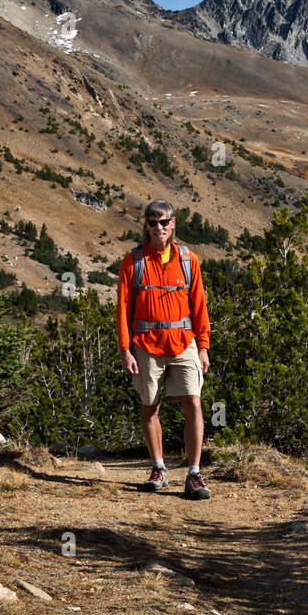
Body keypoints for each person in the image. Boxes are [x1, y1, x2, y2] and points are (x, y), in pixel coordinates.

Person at [116, 199, 212, 499]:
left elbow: (199, 305)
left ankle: (194, 474)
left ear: (173, 225)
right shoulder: (132, 262)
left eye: (164, 222)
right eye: (153, 222)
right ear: (146, 225)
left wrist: (204, 346)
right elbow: (122, 308)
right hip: (145, 345)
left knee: (193, 403)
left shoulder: (188, 260)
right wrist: (125, 349)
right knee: (150, 407)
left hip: (184, 342)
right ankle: (158, 467)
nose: (159, 227)